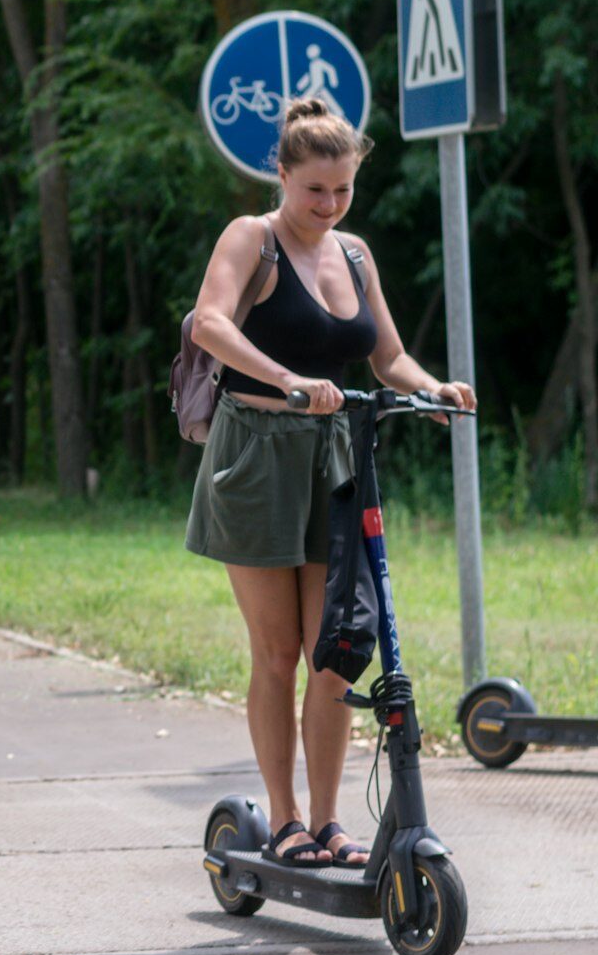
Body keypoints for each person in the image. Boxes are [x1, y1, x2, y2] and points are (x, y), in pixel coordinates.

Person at [184, 97, 475, 871]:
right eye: (315, 188)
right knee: (278, 653)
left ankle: (329, 819)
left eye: (342, 189)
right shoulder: (253, 238)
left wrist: (436, 388)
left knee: (336, 653)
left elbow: (388, 358)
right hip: (255, 457)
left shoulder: (355, 256)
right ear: (280, 174)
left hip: (335, 457)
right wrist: (287, 379)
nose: (330, 204)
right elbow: (208, 322)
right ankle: (281, 820)